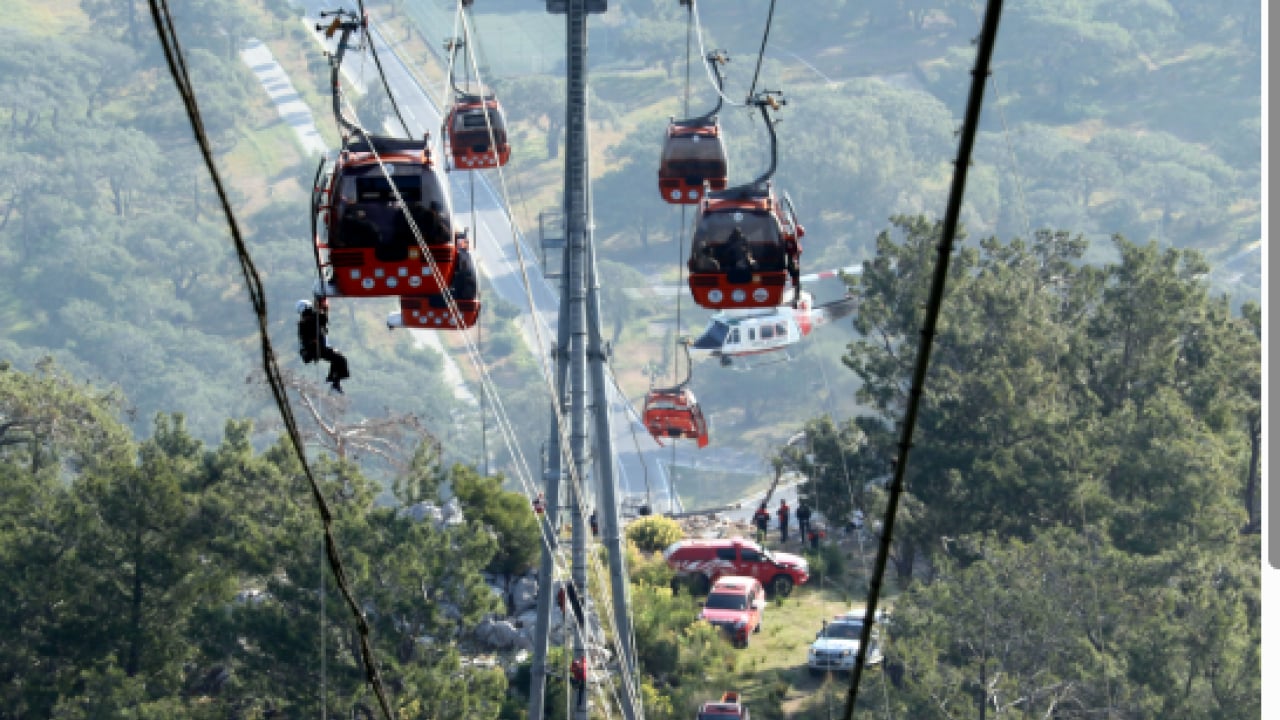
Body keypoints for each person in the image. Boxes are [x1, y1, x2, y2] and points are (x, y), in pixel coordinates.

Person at [297, 298, 350, 394]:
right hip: (317, 349)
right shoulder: (310, 320)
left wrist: (323, 308)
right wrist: (323, 308)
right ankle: (334, 382)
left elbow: (323, 320)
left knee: (337, 358)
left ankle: (334, 381)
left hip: (317, 348)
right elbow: (323, 319)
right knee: (340, 359)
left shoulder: (306, 321)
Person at [784, 234, 802, 307]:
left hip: (786, 261)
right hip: (785, 261)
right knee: (796, 275)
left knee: (795, 275)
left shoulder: (792, 240)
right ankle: (796, 296)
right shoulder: (792, 240)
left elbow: (798, 251)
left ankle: (796, 296)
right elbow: (798, 251)